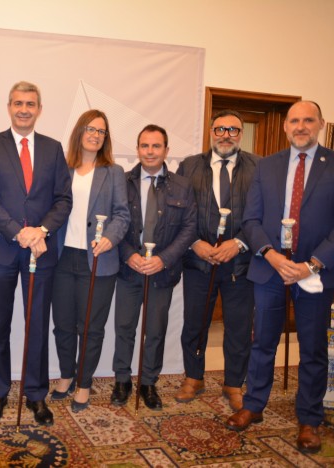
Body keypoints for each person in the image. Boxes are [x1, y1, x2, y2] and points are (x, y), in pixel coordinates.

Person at [226, 101, 334, 454]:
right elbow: (251, 220)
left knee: (312, 348)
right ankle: (253, 406)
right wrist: (274, 256)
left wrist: (312, 264)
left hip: (315, 273)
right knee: (262, 341)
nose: (301, 126)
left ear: (321, 124)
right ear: (285, 126)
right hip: (270, 268)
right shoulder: (267, 166)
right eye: (294, 120)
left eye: (308, 119)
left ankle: (309, 418)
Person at [0, 81, 72, 426]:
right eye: (18, 103)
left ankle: (36, 394)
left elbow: (63, 199)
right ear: (9, 106)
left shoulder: (53, 148)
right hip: (3, 250)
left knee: (37, 326)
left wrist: (41, 231)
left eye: (31, 104)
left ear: (39, 109)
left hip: (41, 252)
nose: (24, 109)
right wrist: (20, 233)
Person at [175, 110, 259, 411]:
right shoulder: (189, 166)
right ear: (211, 131)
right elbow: (180, 212)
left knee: (239, 327)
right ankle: (193, 377)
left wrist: (239, 243)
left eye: (234, 130)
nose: (226, 134)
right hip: (199, 262)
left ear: (241, 134)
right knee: (194, 324)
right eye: (221, 129)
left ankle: (234, 383)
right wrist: (195, 243)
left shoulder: (257, 167)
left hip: (240, 263)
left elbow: (263, 213)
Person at [111, 124, 196, 410]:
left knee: (155, 330)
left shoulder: (183, 186)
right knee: (124, 327)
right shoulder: (122, 182)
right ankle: (122, 380)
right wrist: (128, 255)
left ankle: (148, 383)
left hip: (163, 272)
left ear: (166, 151)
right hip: (129, 269)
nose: (150, 151)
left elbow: (189, 228)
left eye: (156, 146)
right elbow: (115, 224)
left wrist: (164, 259)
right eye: (145, 146)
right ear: (137, 149)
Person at [50, 110, 129, 412]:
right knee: (63, 325)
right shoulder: (63, 169)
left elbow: (122, 214)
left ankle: (84, 383)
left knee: (91, 327)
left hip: (98, 259)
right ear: (79, 132)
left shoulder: (113, 172)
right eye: (90, 129)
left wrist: (110, 236)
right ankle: (67, 374)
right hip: (62, 257)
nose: (96, 135)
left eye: (102, 131)